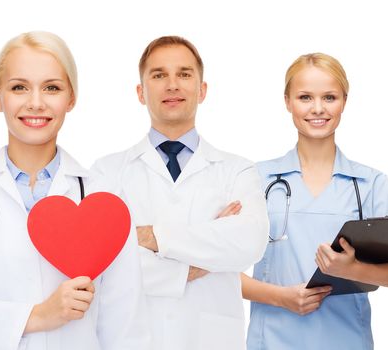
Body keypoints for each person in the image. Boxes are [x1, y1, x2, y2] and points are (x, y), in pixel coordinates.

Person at [0, 31, 149, 350]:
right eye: (19, 87)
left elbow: (126, 329)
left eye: (52, 88)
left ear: (71, 98)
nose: (36, 102)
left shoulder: (104, 199)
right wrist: (36, 316)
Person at [91, 36, 268, 350]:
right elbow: (104, 265)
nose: (172, 84)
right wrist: (206, 259)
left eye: (184, 74)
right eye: (159, 75)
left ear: (202, 90)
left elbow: (249, 243)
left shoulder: (237, 170)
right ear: (140, 92)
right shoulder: (108, 172)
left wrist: (150, 237)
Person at [241, 52, 388, 350]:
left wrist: (353, 270)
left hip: (346, 340)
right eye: (304, 97)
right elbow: (214, 270)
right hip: (272, 341)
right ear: (287, 101)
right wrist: (281, 297)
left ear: (344, 102)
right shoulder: (255, 179)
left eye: (329, 97)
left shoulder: (369, 184)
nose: (317, 109)